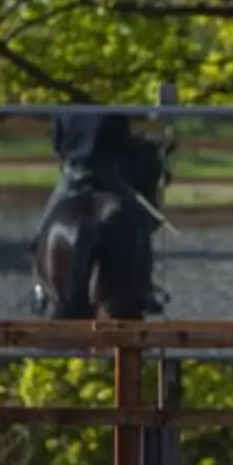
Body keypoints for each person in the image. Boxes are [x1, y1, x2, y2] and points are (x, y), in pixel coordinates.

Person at [28, 110, 166, 315]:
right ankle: (146, 289)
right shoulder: (114, 110)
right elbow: (123, 144)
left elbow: (58, 145)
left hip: (74, 174)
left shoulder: (64, 110)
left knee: (44, 226)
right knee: (140, 224)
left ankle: (39, 288)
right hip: (109, 175)